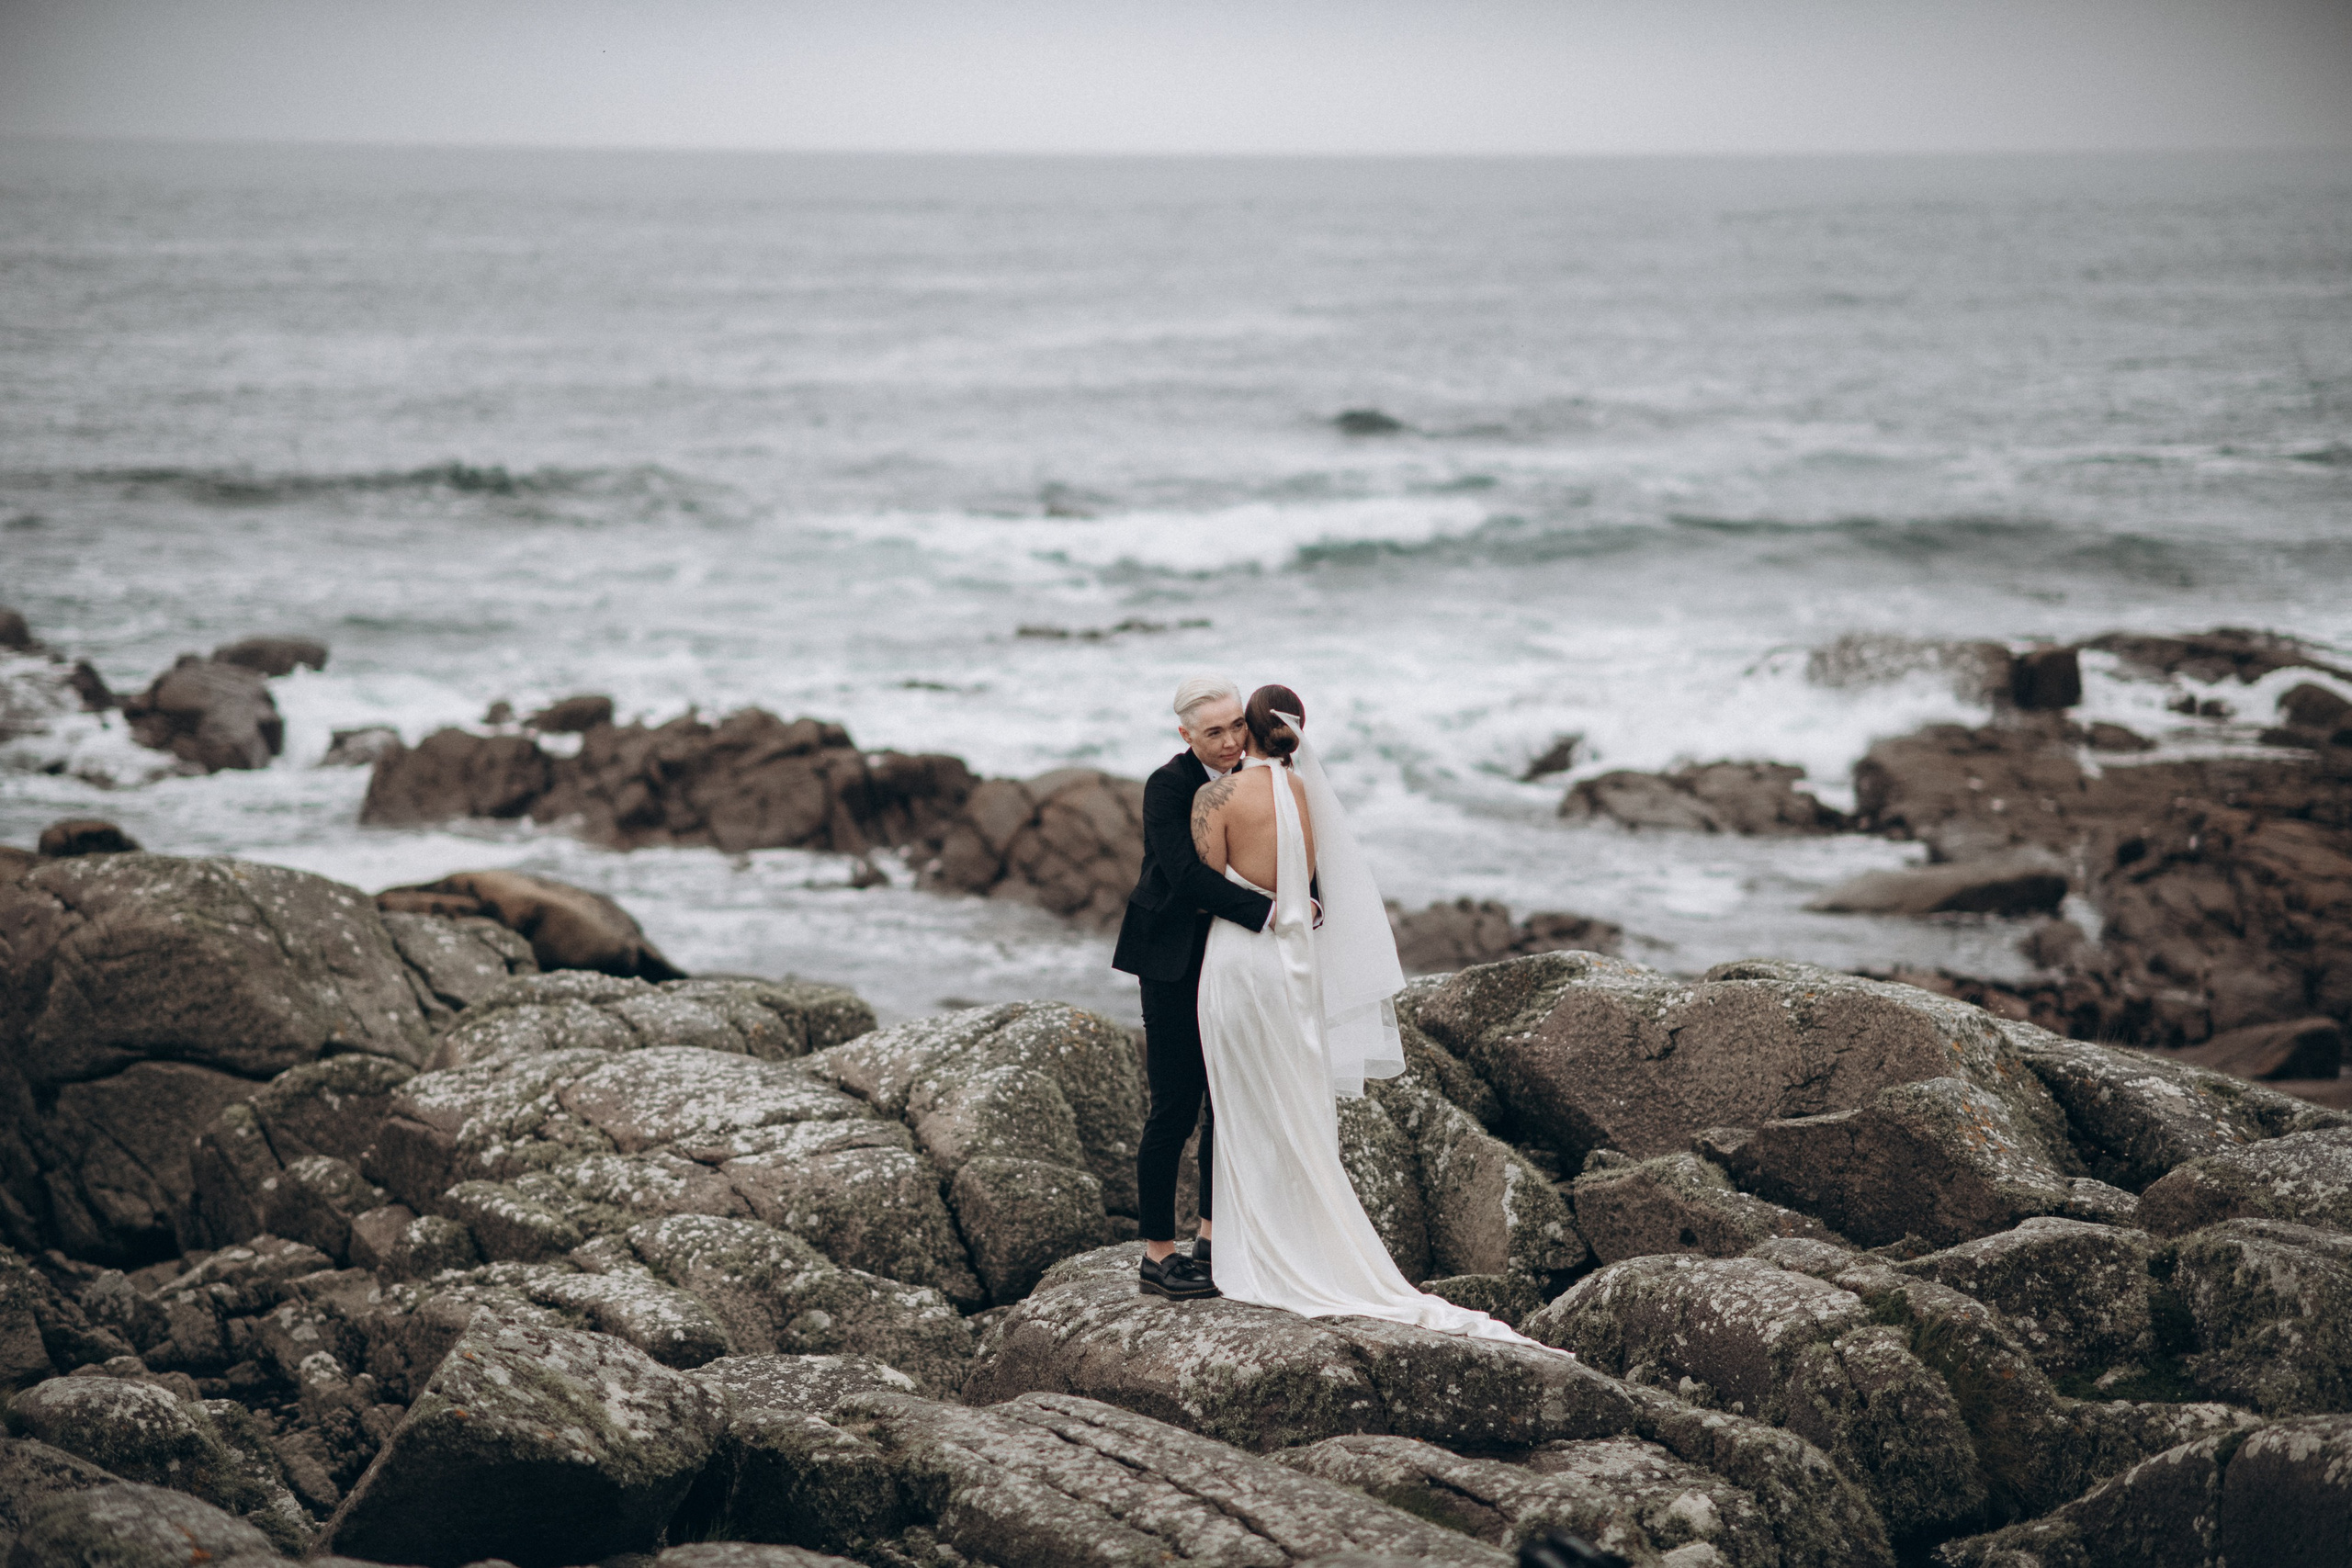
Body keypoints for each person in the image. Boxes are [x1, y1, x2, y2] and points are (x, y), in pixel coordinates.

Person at [1187, 682, 1568, 1352]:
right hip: (1295, 960)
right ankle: (1306, 1238)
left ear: (1245, 733)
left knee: (1244, 1096)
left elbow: (1205, 885)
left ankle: (1257, 1249)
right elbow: (1313, 882)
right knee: (1295, 1099)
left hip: (1240, 961)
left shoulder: (1213, 798)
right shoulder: (1307, 795)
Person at [1111, 675, 1273, 1301]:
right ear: (1186, 735)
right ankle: (1158, 1256)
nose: (1232, 739)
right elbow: (1181, 876)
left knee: (1225, 1105)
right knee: (1173, 1108)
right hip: (1171, 960)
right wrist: (1266, 912)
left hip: (1229, 962)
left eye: (1238, 724)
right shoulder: (1167, 786)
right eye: (1215, 731)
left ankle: (1210, 1240)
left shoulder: (1258, 778)